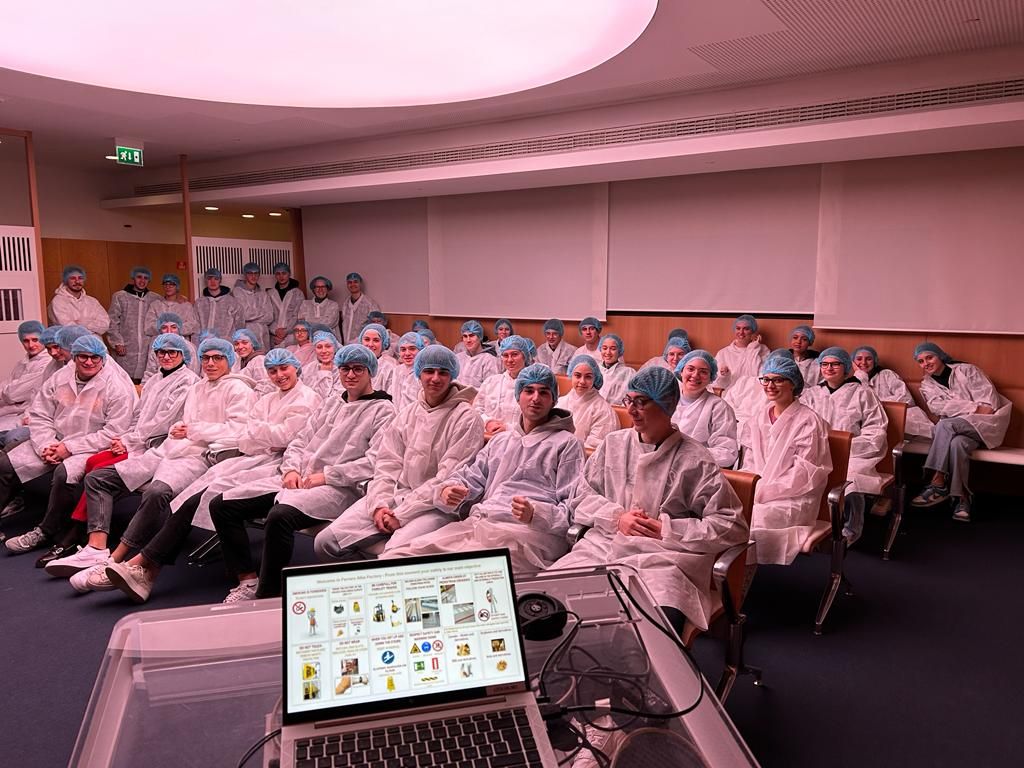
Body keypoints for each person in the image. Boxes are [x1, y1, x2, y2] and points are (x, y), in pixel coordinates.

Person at [547, 367, 748, 633]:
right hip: (603, 546)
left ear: (666, 405)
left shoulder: (694, 459)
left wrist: (668, 529)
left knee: (652, 628)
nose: (630, 410)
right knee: (545, 602)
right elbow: (581, 496)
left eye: (641, 402)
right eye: (629, 400)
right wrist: (617, 517)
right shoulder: (613, 444)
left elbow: (731, 525)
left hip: (664, 561)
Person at [72, 338, 255, 602]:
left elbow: (238, 430)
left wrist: (192, 430)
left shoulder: (238, 389)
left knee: (157, 491)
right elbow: (181, 421)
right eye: (206, 358)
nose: (210, 363)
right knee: (99, 477)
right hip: (172, 447)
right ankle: (97, 548)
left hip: (200, 456)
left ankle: (116, 558)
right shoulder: (198, 387)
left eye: (217, 358)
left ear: (229, 360)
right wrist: (179, 429)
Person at [211, 344, 396, 601]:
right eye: (345, 368)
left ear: (370, 371)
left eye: (358, 369)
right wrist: (290, 469)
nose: (351, 374)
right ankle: (248, 580)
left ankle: (269, 594)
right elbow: (300, 440)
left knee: (280, 517)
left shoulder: (383, 410)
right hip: (301, 479)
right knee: (222, 505)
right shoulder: (333, 402)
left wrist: (327, 476)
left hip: (339, 488)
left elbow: (374, 461)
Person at [385, 364, 583, 574]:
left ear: (554, 400)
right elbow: (471, 476)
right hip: (483, 523)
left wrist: (536, 513)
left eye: (543, 393)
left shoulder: (566, 444)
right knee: (400, 558)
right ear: (518, 396)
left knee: (460, 573)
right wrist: (449, 489)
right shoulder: (501, 441)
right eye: (529, 391)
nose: (535, 398)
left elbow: (571, 509)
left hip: (529, 535)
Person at [39, 333, 199, 579]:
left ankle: (77, 535)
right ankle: (90, 540)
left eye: (172, 352)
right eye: (161, 352)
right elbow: (138, 415)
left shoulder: (187, 382)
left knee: (97, 472)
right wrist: (125, 437)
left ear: (183, 355)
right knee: (93, 464)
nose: (166, 356)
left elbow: (162, 422)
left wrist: (128, 440)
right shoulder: (155, 379)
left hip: (163, 445)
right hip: (139, 442)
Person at [314, 345, 484, 561]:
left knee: (394, 557)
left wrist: (402, 515)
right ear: (418, 373)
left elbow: (447, 477)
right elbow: (387, 465)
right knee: (325, 542)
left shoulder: (466, 418)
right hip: (395, 496)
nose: (435, 378)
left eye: (442, 372)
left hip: (436, 507)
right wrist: (379, 506)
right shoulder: (407, 414)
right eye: (429, 371)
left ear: (452, 376)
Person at [2, 335, 137, 551]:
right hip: (53, 440)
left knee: (64, 475)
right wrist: (45, 444)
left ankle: (46, 531)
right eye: (83, 356)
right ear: (74, 357)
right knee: (5, 464)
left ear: (103, 359)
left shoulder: (116, 387)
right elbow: (40, 415)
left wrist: (70, 448)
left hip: (90, 447)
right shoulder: (60, 378)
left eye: (95, 357)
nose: (89, 362)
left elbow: (114, 432)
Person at [744, 355, 832, 565]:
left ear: (793, 383)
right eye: (766, 379)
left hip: (794, 495)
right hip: (759, 489)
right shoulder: (758, 417)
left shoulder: (809, 421)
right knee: (729, 515)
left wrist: (765, 491)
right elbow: (749, 461)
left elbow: (804, 473)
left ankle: (742, 576)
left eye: (778, 380)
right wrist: (750, 488)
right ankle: (732, 576)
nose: (770, 385)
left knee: (757, 518)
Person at [910, 342, 1010, 522]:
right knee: (957, 444)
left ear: (940, 356)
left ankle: (938, 480)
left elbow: (989, 406)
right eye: (921, 361)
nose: (926, 363)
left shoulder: (968, 371)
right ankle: (962, 497)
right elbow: (937, 407)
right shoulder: (926, 385)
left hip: (987, 425)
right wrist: (973, 407)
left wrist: (958, 409)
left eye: (929, 357)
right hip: (958, 432)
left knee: (944, 425)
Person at [800, 347, 888, 545]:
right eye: (824, 364)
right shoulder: (811, 394)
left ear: (846, 367)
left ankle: (850, 529)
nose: (829, 368)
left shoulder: (863, 393)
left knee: (851, 480)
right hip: (816, 450)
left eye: (835, 364)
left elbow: (876, 429)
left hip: (854, 453)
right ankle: (812, 523)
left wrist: (847, 447)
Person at [672, 350, 739, 469]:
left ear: (711, 378)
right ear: (681, 371)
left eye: (703, 372)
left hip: (698, 470)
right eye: (690, 369)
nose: (695, 375)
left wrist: (688, 454)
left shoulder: (719, 407)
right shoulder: (666, 400)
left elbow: (727, 453)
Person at [851, 345, 933, 438]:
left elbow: (906, 398)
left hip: (903, 418)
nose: (863, 362)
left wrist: (877, 404)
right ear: (853, 363)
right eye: (859, 359)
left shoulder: (887, 374)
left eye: (869, 359)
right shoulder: (853, 383)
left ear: (875, 361)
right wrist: (860, 376)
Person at [106, 266, 161, 382]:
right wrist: (117, 342)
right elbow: (112, 321)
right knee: (123, 380)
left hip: (147, 347)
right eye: (139, 277)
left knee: (145, 380)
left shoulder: (155, 298)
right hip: (125, 347)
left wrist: (181, 298)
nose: (142, 281)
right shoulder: (120, 296)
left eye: (146, 278)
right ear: (133, 278)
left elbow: (167, 308)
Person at [476, 335, 534, 436]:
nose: (509, 360)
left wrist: (508, 428)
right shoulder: (491, 382)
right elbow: (477, 409)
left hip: (520, 438)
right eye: (505, 355)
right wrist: (487, 422)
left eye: (514, 354)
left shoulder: (535, 386)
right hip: (488, 437)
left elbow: (538, 418)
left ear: (524, 355)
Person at [0, 321, 51, 432]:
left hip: (26, 414)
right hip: (11, 411)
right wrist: (6, 392)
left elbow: (12, 394)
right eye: (26, 341)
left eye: (35, 340)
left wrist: (7, 392)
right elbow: (7, 385)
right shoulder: (22, 363)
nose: (31, 345)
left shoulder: (47, 363)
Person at [560, 355, 618, 452]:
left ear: (595, 378)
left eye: (588, 377)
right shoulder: (560, 403)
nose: (582, 381)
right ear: (571, 376)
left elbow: (594, 450)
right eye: (577, 375)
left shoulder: (603, 411)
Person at [47, 265, 109, 335]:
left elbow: (105, 323)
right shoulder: (58, 301)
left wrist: (81, 324)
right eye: (72, 278)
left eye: (80, 278)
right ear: (66, 281)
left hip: (94, 341)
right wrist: (91, 325)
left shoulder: (92, 301)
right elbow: (68, 328)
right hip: (69, 341)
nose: (77, 281)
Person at [715, 314, 769, 392]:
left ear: (753, 331)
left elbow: (762, 377)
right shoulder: (723, 353)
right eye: (738, 328)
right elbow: (718, 383)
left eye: (746, 329)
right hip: (730, 393)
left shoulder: (762, 350)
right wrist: (724, 375)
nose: (741, 332)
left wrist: (752, 350)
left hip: (754, 393)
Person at [141, 313, 199, 383]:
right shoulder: (156, 348)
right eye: (164, 328)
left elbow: (192, 376)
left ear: (179, 329)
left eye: (173, 327)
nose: (169, 331)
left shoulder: (188, 348)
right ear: (160, 330)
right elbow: (149, 374)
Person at [145, 273, 200, 342]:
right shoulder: (155, 305)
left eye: (172, 284)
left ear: (177, 287)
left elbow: (192, 326)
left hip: (180, 343)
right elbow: (148, 326)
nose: (168, 287)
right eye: (166, 284)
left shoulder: (186, 306)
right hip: (159, 344)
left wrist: (174, 330)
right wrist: (164, 329)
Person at [232, 262, 274, 350]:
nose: (253, 276)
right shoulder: (238, 292)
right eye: (250, 273)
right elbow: (244, 315)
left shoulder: (263, 294)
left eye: (256, 273)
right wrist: (262, 313)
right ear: (245, 274)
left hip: (264, 337)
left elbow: (270, 317)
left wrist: (251, 319)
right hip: (246, 336)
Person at [194, 268, 243, 340]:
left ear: (220, 280)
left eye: (216, 278)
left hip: (227, 343)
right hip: (204, 343)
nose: (212, 281)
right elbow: (195, 327)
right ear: (205, 280)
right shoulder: (199, 303)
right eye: (209, 278)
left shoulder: (232, 302)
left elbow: (240, 326)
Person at [267, 262, 304, 348]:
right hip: (275, 337)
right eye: (278, 274)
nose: (281, 276)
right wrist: (275, 331)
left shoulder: (298, 293)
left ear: (289, 274)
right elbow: (268, 315)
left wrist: (286, 331)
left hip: (291, 335)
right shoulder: (270, 293)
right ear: (275, 275)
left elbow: (297, 315)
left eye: (284, 273)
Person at [455, 320, 501, 388]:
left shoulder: (489, 360)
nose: (468, 340)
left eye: (471, 336)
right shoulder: (458, 358)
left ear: (480, 337)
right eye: (465, 336)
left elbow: (491, 388)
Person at [340, 272, 381, 344]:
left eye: (355, 282)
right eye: (350, 282)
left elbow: (376, 326)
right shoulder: (345, 304)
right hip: (346, 344)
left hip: (363, 344)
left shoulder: (370, 304)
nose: (352, 284)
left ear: (360, 284)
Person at [596, 333, 635, 406]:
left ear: (619, 351)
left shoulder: (629, 373)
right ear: (600, 349)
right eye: (604, 348)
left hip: (618, 411)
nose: (608, 352)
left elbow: (631, 399)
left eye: (613, 349)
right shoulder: (595, 370)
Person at [360, 323, 398, 396]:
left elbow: (392, 395)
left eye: (376, 340)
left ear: (383, 343)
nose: (370, 344)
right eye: (367, 339)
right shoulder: (354, 363)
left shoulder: (390, 366)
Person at [392, 331, 426, 411]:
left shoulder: (424, 372)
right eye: (403, 349)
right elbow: (395, 399)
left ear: (421, 350)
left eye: (412, 349)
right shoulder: (397, 370)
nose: (407, 353)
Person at [232, 329, 271, 394]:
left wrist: (250, 399)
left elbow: (265, 387)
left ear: (252, 343)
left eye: (244, 343)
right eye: (236, 344)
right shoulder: (240, 360)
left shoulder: (259, 360)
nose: (240, 347)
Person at [305, 330, 341, 400]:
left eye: (328, 346)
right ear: (314, 349)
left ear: (335, 348)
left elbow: (335, 399)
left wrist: (325, 373)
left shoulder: (342, 369)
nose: (324, 351)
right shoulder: (307, 369)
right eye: (319, 347)